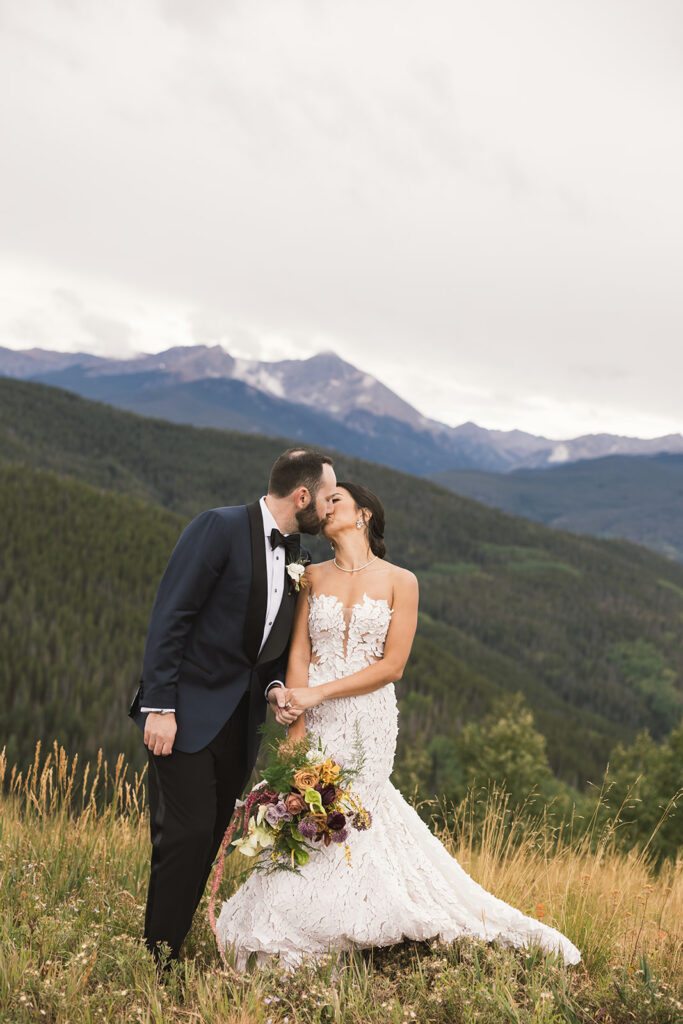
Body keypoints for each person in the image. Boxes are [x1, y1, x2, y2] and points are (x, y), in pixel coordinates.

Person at [216, 482, 581, 969]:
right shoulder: (312, 576)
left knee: (357, 809)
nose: (326, 508)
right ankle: (308, 922)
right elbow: (299, 652)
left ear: (364, 514)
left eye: (336, 500)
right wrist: (296, 728)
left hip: (369, 718)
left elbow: (392, 666)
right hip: (313, 713)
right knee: (309, 807)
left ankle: (364, 924)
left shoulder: (400, 581)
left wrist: (318, 693)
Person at [128, 447, 337, 966]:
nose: (330, 510)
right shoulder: (217, 527)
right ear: (302, 495)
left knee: (207, 837)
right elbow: (172, 614)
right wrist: (159, 706)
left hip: (239, 727)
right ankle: (156, 961)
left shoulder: (297, 558)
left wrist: (272, 691)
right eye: (327, 498)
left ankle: (168, 947)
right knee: (187, 832)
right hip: (183, 716)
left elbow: (261, 655)